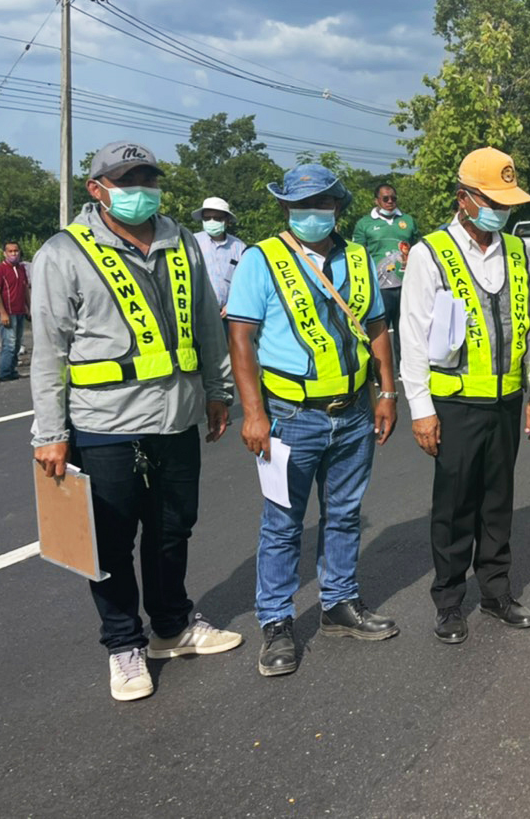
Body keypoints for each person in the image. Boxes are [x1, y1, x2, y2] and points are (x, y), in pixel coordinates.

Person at [29, 141, 241, 702]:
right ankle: (124, 643)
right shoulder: (64, 252)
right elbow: (48, 350)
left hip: (177, 417)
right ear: (97, 189)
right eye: (127, 181)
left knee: (173, 529)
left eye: (148, 179)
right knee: (109, 541)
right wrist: (50, 434)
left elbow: (207, 322)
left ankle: (171, 625)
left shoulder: (181, 240)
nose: (140, 191)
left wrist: (218, 391)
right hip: (105, 423)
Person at [226, 163, 400, 677]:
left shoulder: (357, 257)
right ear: (286, 208)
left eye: (322, 203)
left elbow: (376, 326)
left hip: (353, 411)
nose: (312, 213)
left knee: (344, 513)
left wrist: (387, 392)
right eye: (301, 205)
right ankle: (277, 621)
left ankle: (338, 603)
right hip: (290, 416)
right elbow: (241, 338)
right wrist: (253, 413)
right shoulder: (262, 259)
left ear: (338, 207)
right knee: (283, 523)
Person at [400, 147, 530, 645]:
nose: (501, 211)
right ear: (464, 198)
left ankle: (496, 592)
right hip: (456, 403)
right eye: (493, 201)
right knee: (455, 507)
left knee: (498, 502)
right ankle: (448, 602)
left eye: (507, 203)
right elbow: (412, 338)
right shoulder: (431, 253)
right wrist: (421, 410)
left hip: (507, 400)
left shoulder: (515, 250)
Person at [353, 183, 418, 368]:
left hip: (406, 285)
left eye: (393, 198)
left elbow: (417, 248)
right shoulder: (364, 224)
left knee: (405, 330)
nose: (390, 202)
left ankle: (405, 369)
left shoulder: (408, 220)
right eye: (385, 199)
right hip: (380, 287)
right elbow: (358, 254)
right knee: (378, 332)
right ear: (377, 200)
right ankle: (376, 370)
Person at [192, 196, 246, 328]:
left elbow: (245, 282)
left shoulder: (239, 247)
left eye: (217, 218)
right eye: (207, 218)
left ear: (227, 221)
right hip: (197, 314)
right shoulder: (192, 243)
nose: (212, 221)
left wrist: (232, 304)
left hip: (229, 315)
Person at [0, 241, 30, 382]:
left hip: (19, 311)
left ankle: (12, 370)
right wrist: (3, 313)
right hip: (8, 312)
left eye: (16, 251)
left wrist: (29, 308)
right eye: (10, 251)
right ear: (5, 253)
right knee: (9, 344)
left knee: (17, 343)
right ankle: (4, 373)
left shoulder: (21, 269)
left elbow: (25, 289)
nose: (14, 254)